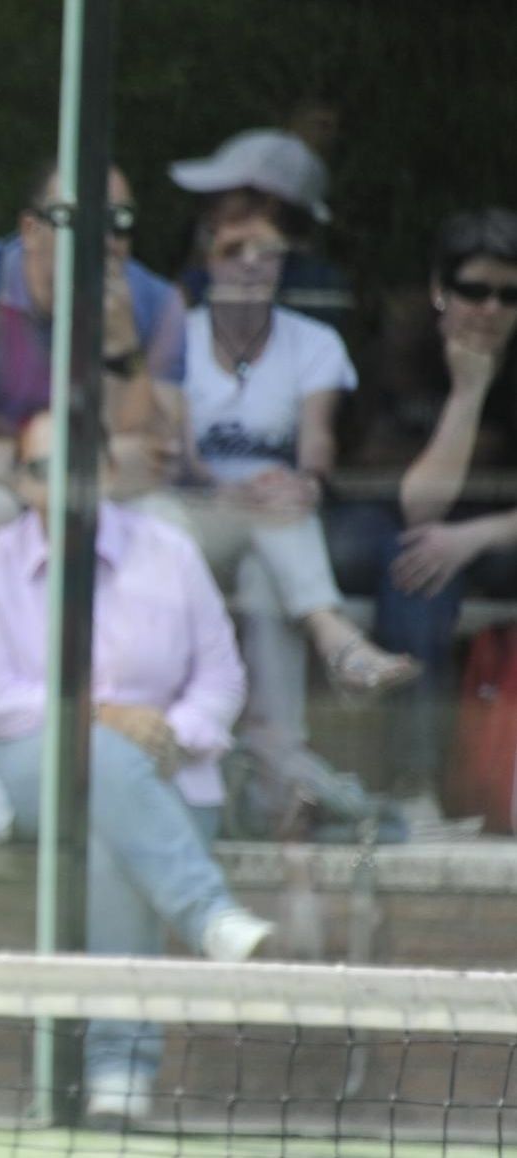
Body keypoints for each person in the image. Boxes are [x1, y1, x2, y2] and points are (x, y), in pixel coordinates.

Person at [0, 409, 272, 1129]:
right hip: (30, 765)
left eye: (74, 467)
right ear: (20, 483)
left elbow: (222, 679)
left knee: (107, 838)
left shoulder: (171, 552)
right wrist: (101, 719)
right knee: (97, 755)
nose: (58, 484)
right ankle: (206, 916)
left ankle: (117, 1075)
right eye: (40, 470)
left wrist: (170, 735)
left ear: (105, 473)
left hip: (167, 776)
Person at [145, 193, 416, 766]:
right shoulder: (176, 336)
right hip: (199, 514)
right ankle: (333, 634)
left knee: (268, 566)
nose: (250, 263)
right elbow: (180, 454)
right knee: (246, 506)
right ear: (207, 259)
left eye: (265, 251)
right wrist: (229, 491)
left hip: (273, 521)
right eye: (233, 249)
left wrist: (307, 482)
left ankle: (281, 766)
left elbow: (318, 440)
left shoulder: (315, 342)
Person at [0, 162, 184, 575]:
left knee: (165, 518)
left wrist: (122, 345)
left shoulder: (157, 303)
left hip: (99, 491)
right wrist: (59, 464)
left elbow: (154, 460)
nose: (103, 240)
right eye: (78, 222)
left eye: (118, 223)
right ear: (30, 229)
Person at [329, 208, 517, 800]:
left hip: (497, 529)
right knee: (411, 564)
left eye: (509, 296)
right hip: (394, 515)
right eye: (474, 291)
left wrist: (474, 537)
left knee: (422, 558)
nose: (491, 309)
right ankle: (416, 780)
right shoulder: (398, 353)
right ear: (441, 290)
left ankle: (430, 778)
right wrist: (469, 393)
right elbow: (421, 508)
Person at [170, 128, 354, 335]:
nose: (208, 209)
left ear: (269, 205)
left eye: (218, 196)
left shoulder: (312, 289)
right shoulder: (329, 282)